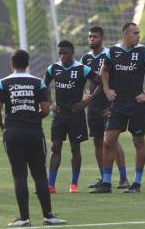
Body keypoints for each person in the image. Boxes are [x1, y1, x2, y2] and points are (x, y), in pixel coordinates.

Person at [0, 50, 65, 227]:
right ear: (28, 64)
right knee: (40, 174)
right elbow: (46, 110)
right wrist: (32, 118)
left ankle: (24, 218)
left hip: (12, 134)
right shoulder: (38, 82)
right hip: (33, 133)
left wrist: (4, 127)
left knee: (19, 175)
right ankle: (48, 216)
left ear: (12, 64)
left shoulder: (3, 83)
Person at [91, 22, 145, 194]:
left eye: (139, 33)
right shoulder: (113, 51)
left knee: (138, 141)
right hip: (117, 105)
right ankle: (106, 183)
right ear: (125, 35)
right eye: (135, 33)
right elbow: (104, 70)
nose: (138, 36)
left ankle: (136, 183)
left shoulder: (143, 51)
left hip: (137, 105)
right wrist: (107, 90)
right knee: (109, 141)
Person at [45, 40, 100, 194]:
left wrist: (87, 101)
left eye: (65, 53)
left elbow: (101, 83)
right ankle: (50, 185)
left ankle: (74, 184)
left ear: (72, 53)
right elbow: (44, 86)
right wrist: (50, 104)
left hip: (76, 115)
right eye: (60, 53)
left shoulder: (82, 69)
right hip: (59, 116)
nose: (62, 56)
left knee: (75, 148)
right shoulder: (53, 69)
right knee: (55, 148)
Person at [81, 26, 129, 189]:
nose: (91, 39)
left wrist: (113, 103)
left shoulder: (109, 55)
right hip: (93, 107)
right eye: (90, 37)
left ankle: (123, 178)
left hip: (108, 105)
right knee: (97, 141)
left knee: (112, 141)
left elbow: (114, 79)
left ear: (101, 38)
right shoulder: (85, 58)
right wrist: (85, 94)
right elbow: (82, 80)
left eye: (95, 37)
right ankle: (104, 178)